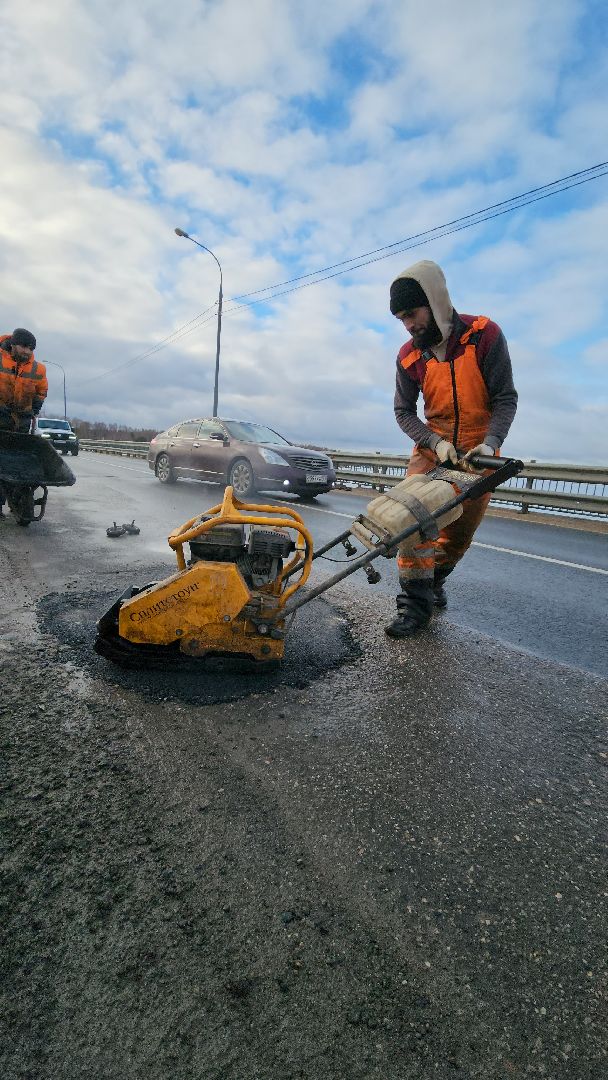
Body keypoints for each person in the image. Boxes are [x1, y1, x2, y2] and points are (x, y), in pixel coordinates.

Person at [386, 260, 518, 638]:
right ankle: (414, 607)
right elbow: (403, 411)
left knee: (457, 534)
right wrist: (434, 442)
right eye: (401, 319)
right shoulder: (410, 355)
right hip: (432, 448)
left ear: (434, 300)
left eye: (412, 313)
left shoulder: (483, 335)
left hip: (480, 451)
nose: (408, 325)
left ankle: (433, 583)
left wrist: (491, 443)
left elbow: (505, 398)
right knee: (411, 523)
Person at [0, 328, 47, 516]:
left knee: (15, 462)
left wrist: (34, 410)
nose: (27, 351)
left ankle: (16, 497)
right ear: (13, 344)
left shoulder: (38, 369)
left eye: (30, 348)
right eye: (23, 346)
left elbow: (41, 391)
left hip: (21, 421)